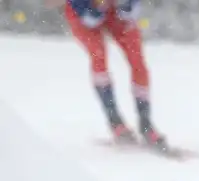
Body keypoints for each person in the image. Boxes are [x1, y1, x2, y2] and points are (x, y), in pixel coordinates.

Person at [64, 0, 166, 149]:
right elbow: (88, 18)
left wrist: (124, 6)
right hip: (84, 11)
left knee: (137, 60)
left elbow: (131, 9)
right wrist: (98, 7)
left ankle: (146, 124)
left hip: (115, 12)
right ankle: (115, 121)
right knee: (98, 55)